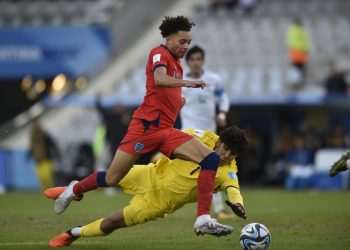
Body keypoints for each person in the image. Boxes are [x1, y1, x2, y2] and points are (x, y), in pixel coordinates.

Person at [54, 16, 231, 235]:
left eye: (188, 42)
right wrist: (187, 83)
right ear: (168, 38)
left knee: (211, 159)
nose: (186, 47)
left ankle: (202, 218)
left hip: (166, 131)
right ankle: (75, 188)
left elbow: (166, 93)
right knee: (112, 178)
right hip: (145, 129)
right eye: (182, 41)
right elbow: (159, 79)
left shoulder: (176, 63)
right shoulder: (158, 53)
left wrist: (179, 101)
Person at [45, 126, 248, 247]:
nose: (226, 155)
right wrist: (159, 153)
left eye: (233, 154)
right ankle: (72, 190)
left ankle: (72, 234)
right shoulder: (203, 137)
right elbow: (173, 136)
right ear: (219, 141)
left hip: (159, 203)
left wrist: (238, 204)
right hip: (150, 174)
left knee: (112, 223)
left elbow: (234, 190)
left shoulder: (229, 172)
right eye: (226, 149)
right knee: (110, 176)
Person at [181, 45, 231, 219]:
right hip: (189, 133)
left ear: (203, 61)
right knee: (204, 168)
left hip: (209, 133)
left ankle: (217, 209)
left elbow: (223, 97)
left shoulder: (213, 79)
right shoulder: (180, 82)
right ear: (187, 62)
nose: (195, 63)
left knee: (211, 169)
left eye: (198, 59)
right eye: (192, 59)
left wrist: (222, 113)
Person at [29, 119, 59, 190]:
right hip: (38, 159)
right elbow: (32, 147)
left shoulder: (44, 134)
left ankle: (50, 189)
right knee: (41, 176)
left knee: (47, 176)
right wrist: (29, 156)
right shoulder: (33, 135)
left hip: (46, 158)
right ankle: (45, 190)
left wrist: (56, 153)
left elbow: (52, 143)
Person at [287, 18, 310, 87]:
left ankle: (299, 82)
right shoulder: (293, 31)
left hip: (302, 53)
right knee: (296, 67)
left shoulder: (301, 31)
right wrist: (302, 48)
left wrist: (306, 49)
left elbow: (306, 41)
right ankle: (295, 82)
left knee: (301, 68)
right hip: (297, 52)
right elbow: (292, 42)